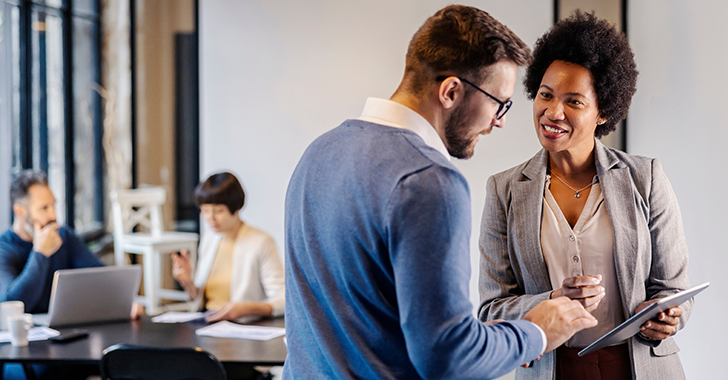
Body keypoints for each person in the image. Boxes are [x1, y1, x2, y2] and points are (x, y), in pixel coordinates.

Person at [284, 5, 598, 379]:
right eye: (499, 103)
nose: (497, 121)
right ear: (450, 92)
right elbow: (448, 357)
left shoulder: (319, 151)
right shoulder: (429, 180)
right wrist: (537, 331)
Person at [478, 11, 691, 380]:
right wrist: (552, 302)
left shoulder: (646, 178)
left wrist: (670, 315)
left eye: (574, 101)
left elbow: (675, 290)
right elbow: (491, 311)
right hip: (552, 369)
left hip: (639, 366)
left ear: (603, 111)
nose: (553, 111)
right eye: (545, 95)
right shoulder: (504, 190)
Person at [0, 169, 139, 380]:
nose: (53, 215)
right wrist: (40, 254)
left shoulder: (64, 236)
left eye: (53, 205)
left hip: (67, 338)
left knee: (122, 362)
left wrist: (124, 300)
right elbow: (13, 304)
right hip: (25, 350)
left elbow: (101, 276)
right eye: (44, 208)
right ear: (20, 211)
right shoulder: (4, 249)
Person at [172, 172, 285, 323]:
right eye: (205, 211)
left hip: (242, 326)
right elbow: (201, 301)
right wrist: (187, 282)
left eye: (219, 211)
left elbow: (283, 300)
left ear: (236, 208)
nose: (210, 219)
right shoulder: (210, 240)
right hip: (208, 322)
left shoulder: (261, 242)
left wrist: (247, 309)